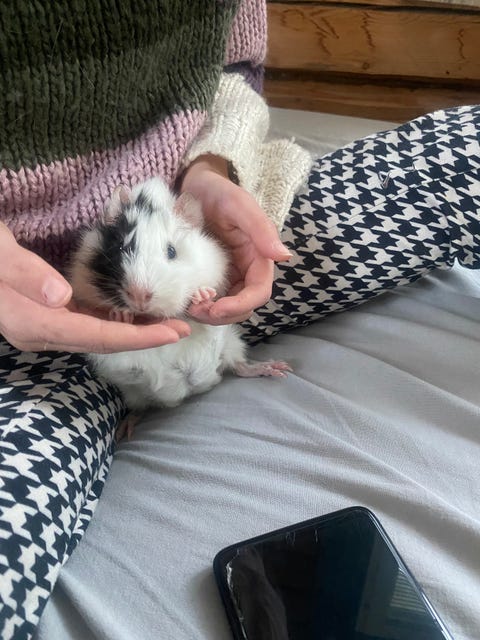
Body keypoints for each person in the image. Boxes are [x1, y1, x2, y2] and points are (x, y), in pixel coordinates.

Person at [0, 1, 479, 638]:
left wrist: (216, 168)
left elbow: (234, 70)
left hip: (204, 245)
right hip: (32, 329)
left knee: (466, 151)